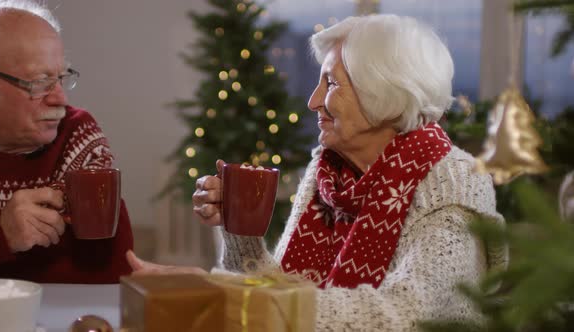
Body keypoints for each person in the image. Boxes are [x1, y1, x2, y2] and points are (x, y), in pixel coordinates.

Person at [128, 14, 507, 330]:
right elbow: (286, 290)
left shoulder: (454, 180)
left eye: (332, 83)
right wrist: (239, 230)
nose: (313, 101)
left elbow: (403, 317)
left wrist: (219, 291)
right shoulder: (329, 172)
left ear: (385, 93)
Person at [0, 0, 133, 283]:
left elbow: (112, 272)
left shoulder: (77, 134)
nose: (61, 99)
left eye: (61, 78)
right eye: (39, 82)